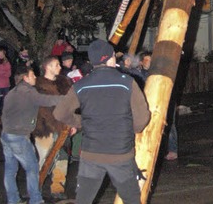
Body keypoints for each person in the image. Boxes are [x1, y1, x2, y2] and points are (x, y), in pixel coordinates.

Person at [53, 39, 151, 204]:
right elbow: (142, 120)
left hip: (91, 155)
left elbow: (59, 113)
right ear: (111, 58)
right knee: (132, 200)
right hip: (120, 154)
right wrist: (129, 128)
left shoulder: (81, 85)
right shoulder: (127, 82)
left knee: (84, 200)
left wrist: (82, 122)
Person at [1, 64, 65, 204]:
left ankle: (13, 199)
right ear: (25, 78)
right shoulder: (28, 92)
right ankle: (35, 199)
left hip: (6, 135)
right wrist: (66, 99)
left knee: (10, 169)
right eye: (32, 75)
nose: (35, 77)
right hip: (18, 136)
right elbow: (47, 100)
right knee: (32, 168)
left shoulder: (12, 93)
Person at [34, 56, 74, 201]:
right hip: (45, 129)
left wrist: (73, 123)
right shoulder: (38, 85)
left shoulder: (64, 83)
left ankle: (57, 188)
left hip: (64, 128)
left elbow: (72, 105)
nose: (60, 67)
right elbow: (41, 109)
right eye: (56, 65)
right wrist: (54, 125)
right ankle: (35, 189)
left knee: (62, 159)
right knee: (45, 159)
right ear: (48, 67)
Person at [0, 47, 12, 125]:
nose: (1, 55)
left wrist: (2, 73)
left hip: (6, 84)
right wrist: (4, 72)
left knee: (5, 101)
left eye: (2, 54)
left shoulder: (7, 62)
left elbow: (9, 74)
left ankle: (3, 116)